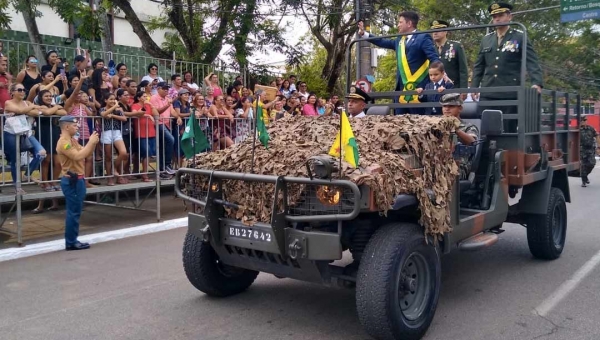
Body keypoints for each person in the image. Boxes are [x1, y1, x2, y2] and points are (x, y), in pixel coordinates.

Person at [471, 2, 543, 131]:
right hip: (488, 91)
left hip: (509, 92)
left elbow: (532, 61)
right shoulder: (486, 39)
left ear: (510, 16)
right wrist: (475, 86)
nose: (497, 19)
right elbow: (479, 65)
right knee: (486, 129)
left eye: (500, 15)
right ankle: (486, 152)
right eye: (494, 16)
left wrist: (536, 82)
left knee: (508, 128)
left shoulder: (520, 36)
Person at [357, 11, 439, 114]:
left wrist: (440, 75)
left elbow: (434, 58)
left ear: (409, 24)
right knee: (399, 123)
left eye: (400, 22)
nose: (398, 25)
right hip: (401, 90)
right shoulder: (400, 40)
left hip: (419, 89)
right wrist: (364, 34)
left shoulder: (423, 37)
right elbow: (383, 42)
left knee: (418, 123)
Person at [56, 115, 100, 251]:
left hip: (78, 179)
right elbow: (78, 156)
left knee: (76, 211)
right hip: (72, 181)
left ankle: (72, 240)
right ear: (67, 126)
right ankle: (71, 242)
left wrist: (92, 143)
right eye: (75, 126)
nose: (77, 127)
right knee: (73, 212)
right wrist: (90, 142)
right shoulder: (64, 142)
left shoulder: (72, 140)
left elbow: (85, 153)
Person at [440, 93, 479, 180]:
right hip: (437, 163)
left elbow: (472, 142)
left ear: (460, 108)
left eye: (451, 106)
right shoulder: (436, 125)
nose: (447, 109)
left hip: (459, 166)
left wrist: (456, 130)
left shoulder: (468, 126)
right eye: (444, 106)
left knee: (443, 174)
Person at [430, 20, 469, 93]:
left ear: (445, 31)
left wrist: (464, 90)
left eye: (438, 30)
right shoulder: (431, 49)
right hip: (435, 90)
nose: (435, 33)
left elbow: (463, 70)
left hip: (453, 88)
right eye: (433, 30)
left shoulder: (456, 46)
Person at [579, 116, 597, 187]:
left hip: (590, 149)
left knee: (592, 163)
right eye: (583, 120)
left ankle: (585, 175)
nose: (585, 121)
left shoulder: (591, 128)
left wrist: (599, 147)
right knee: (583, 165)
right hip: (582, 149)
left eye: (586, 120)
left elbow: (597, 136)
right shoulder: (578, 129)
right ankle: (583, 181)